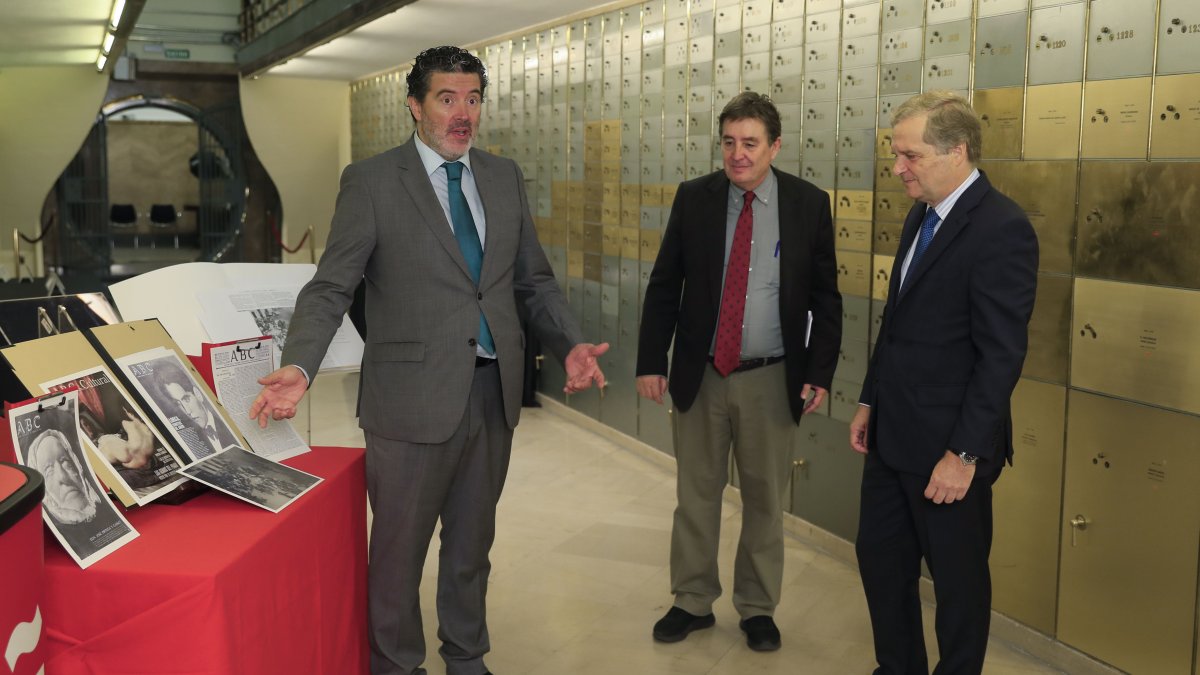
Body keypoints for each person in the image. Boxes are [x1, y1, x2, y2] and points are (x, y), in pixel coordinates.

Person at [249, 46, 607, 675]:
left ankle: (467, 657)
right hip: (409, 401)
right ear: (414, 106)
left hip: (492, 393)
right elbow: (332, 285)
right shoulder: (372, 181)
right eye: (447, 98)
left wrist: (569, 341)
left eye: (472, 99)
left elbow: (535, 282)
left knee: (472, 546)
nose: (462, 113)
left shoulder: (502, 176)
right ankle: (396, 665)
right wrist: (300, 364)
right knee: (397, 554)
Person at [636, 91, 842, 652]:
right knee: (696, 493)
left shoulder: (806, 204)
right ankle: (692, 600)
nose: (737, 154)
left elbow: (827, 299)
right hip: (701, 375)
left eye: (750, 143)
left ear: (775, 146)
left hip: (771, 379)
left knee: (764, 499)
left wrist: (819, 373)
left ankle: (757, 608)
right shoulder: (695, 199)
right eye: (729, 142)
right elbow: (664, 284)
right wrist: (652, 360)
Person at [849, 90, 1038, 674]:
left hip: (948, 450)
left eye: (910, 156)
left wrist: (963, 453)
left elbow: (1000, 357)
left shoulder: (1001, 227)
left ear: (957, 151)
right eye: (896, 154)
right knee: (881, 563)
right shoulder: (922, 212)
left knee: (957, 589)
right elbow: (898, 320)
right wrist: (868, 398)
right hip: (892, 432)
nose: (898, 168)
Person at [156, 362, 239, 457]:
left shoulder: (229, 426)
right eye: (178, 403)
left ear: (198, 394)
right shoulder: (188, 439)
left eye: (186, 399)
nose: (187, 411)